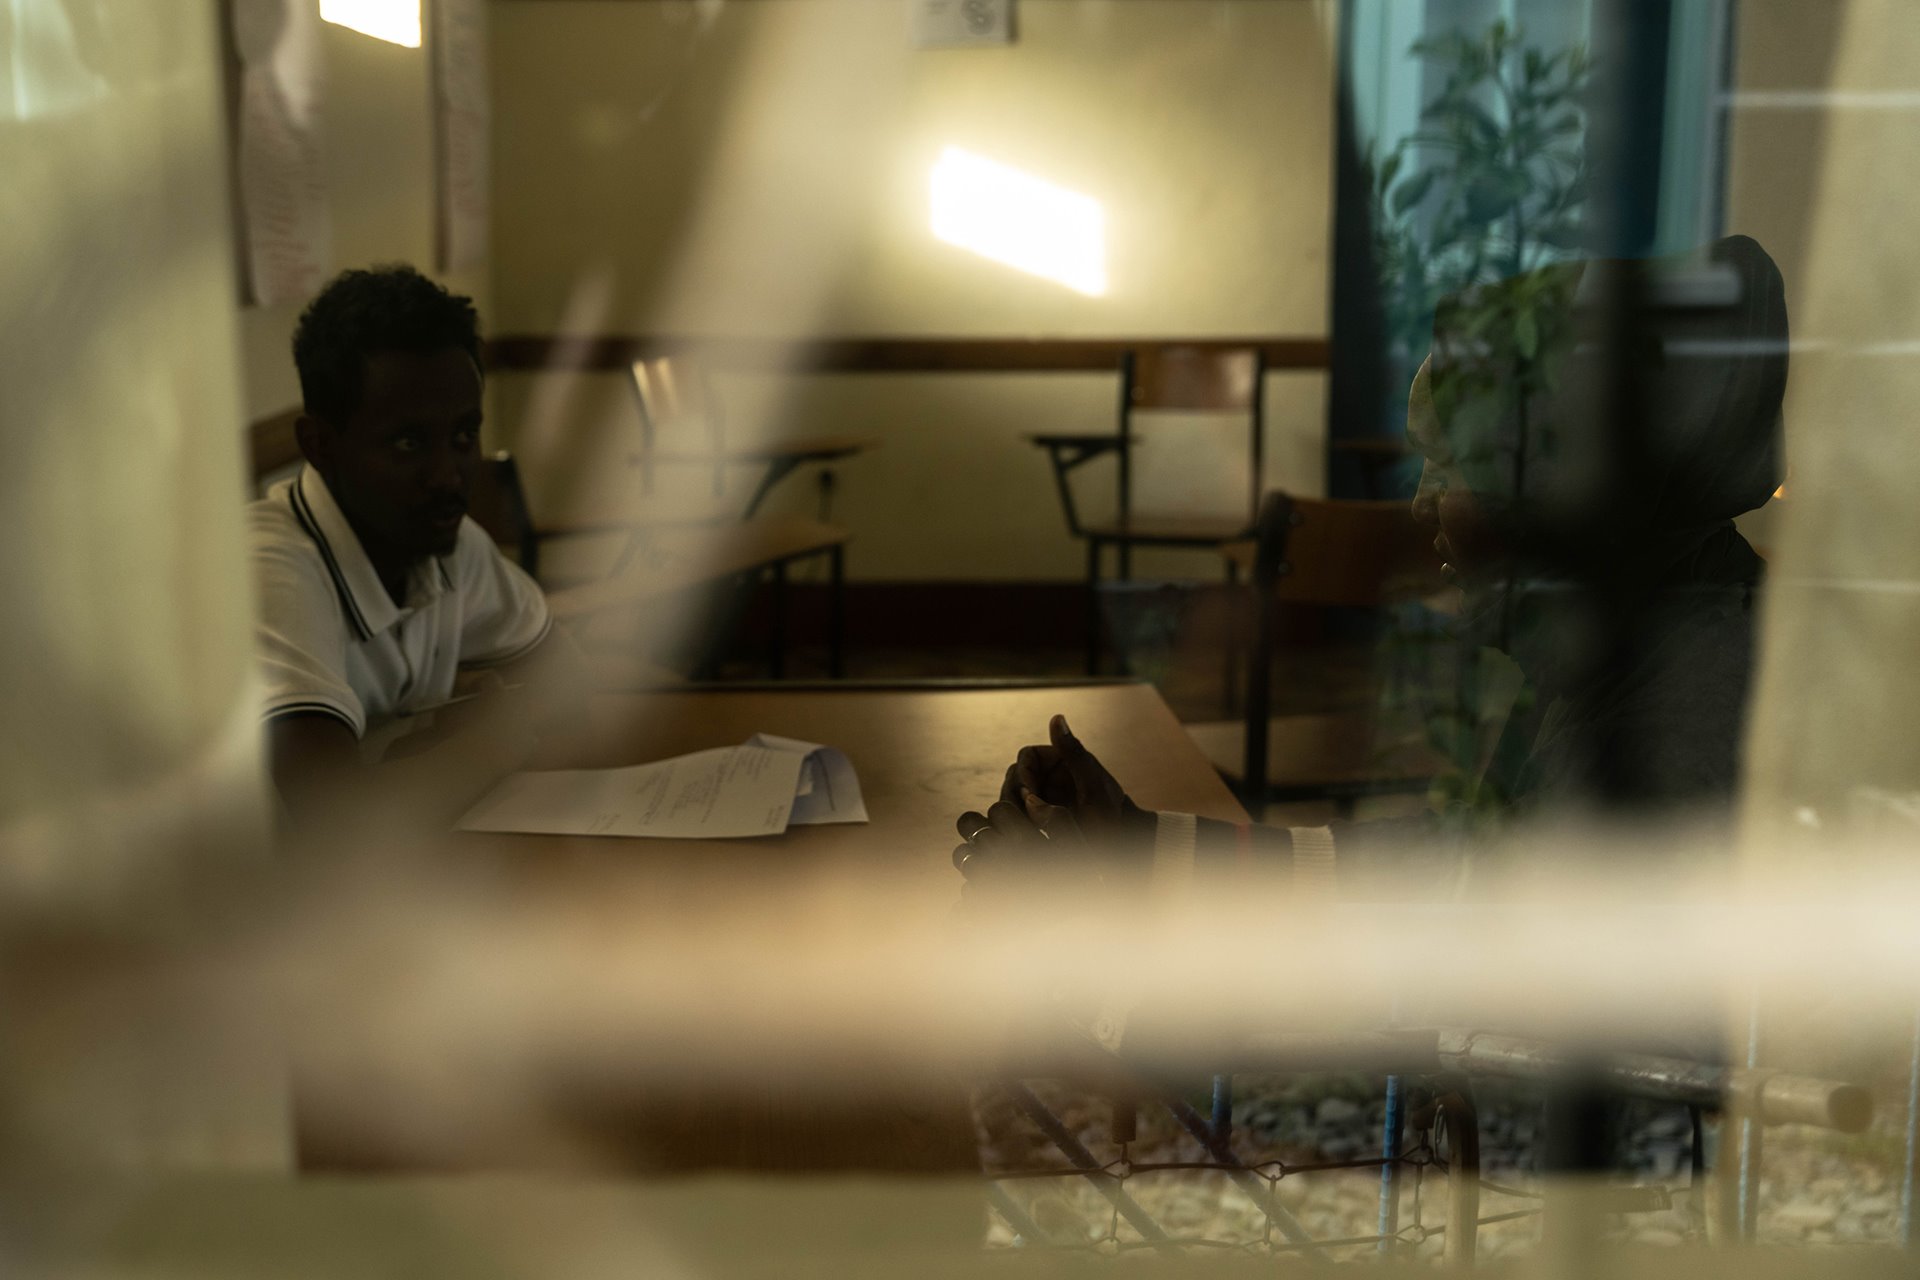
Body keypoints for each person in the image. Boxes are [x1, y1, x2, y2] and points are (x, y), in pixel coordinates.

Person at [953, 235, 1788, 898]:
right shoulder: (1635, 640)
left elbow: (1480, 1035)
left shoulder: (1678, 737)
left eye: (1455, 468)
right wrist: (1142, 845)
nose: (1422, 504)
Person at [250, 265, 584, 828]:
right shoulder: (271, 570)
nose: (448, 476)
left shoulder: (448, 544)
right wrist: (491, 740)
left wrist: (440, 748)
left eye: (462, 437)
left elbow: (571, 686)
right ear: (320, 445)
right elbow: (333, 821)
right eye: (408, 443)